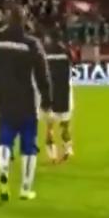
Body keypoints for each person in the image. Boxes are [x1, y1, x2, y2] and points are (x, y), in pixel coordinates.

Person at [0, 5, 51, 201]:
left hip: (3, 98)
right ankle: (25, 189)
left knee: (4, 139)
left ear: (6, 18)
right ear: (24, 20)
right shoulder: (31, 43)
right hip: (26, 99)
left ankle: (4, 170)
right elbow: (42, 73)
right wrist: (46, 98)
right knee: (29, 145)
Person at [41, 32, 75, 162]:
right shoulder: (66, 52)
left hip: (50, 94)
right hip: (66, 93)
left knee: (49, 126)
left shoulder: (44, 53)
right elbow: (73, 61)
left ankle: (53, 154)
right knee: (65, 125)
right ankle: (67, 148)